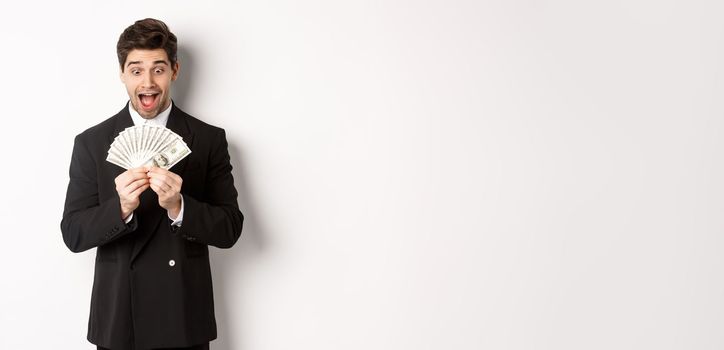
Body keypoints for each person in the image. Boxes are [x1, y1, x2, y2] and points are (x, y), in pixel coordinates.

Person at [61, 18, 244, 350]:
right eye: (136, 70)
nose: (147, 82)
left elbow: (230, 229)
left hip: (184, 320)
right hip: (119, 322)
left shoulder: (207, 140)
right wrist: (120, 208)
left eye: (158, 69)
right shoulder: (91, 143)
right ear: (122, 74)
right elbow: (73, 234)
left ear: (174, 70)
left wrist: (180, 206)